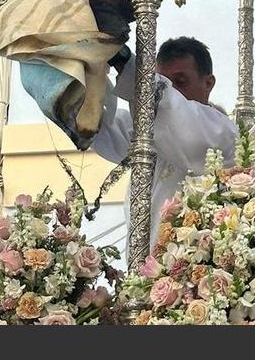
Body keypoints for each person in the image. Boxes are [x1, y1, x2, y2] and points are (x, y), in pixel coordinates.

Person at [93, 36, 238, 248]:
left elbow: (175, 112)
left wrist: (125, 61)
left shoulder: (221, 133)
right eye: (164, 83)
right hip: (147, 271)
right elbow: (102, 127)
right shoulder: (155, 129)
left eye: (179, 83)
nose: (173, 92)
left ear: (208, 83)